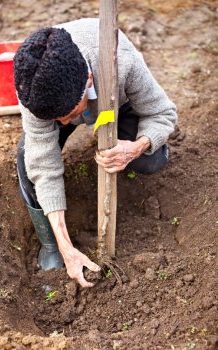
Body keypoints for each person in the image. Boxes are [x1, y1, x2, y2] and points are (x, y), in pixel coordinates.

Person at [14, 18, 177, 288]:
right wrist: (67, 249)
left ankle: (134, 145)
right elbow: (44, 163)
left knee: (151, 159)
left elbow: (162, 113)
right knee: (28, 160)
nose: (64, 124)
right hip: (66, 102)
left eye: (67, 115)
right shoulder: (32, 86)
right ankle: (50, 245)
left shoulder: (122, 61)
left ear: (87, 79)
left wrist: (137, 146)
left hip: (116, 103)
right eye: (57, 118)